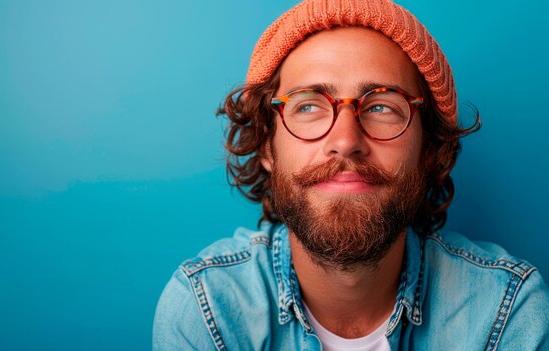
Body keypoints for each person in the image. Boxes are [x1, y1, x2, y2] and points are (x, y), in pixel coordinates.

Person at [153, 0, 549, 349]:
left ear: (429, 149)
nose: (345, 140)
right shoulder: (206, 311)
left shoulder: (505, 309)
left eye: (381, 106)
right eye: (307, 106)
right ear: (267, 146)